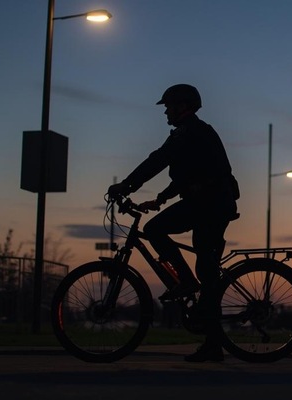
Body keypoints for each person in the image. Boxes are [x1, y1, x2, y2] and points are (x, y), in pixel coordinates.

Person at [107, 83, 239, 362]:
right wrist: (160, 199)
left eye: (169, 105)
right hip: (203, 203)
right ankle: (192, 290)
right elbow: (185, 176)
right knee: (163, 234)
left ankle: (209, 335)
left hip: (212, 206)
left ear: (183, 106)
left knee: (202, 266)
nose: (165, 111)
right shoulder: (188, 134)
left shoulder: (191, 132)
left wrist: (127, 185)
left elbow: (158, 160)